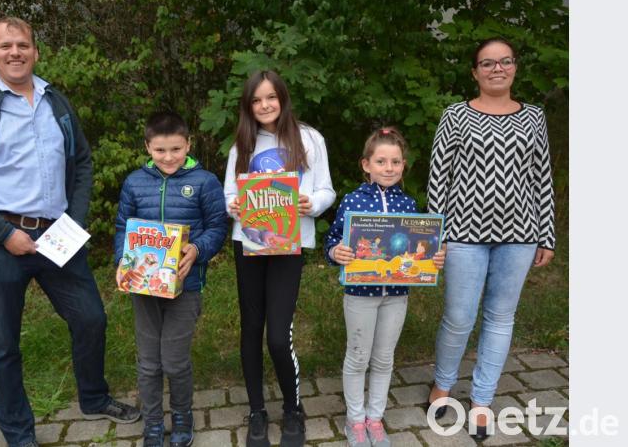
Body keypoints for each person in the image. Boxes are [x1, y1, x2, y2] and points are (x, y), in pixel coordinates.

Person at [0, 17, 139, 447]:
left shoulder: (56, 103)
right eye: (5, 45)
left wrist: (75, 219)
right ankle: (18, 433)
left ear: (35, 51)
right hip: (1, 240)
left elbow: (81, 162)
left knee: (90, 319)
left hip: (57, 236)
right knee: (4, 341)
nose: (15, 52)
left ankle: (94, 398)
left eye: (23, 44)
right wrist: (2, 233)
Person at [425, 37, 556, 441]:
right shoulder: (455, 116)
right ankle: (443, 385)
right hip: (464, 234)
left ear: (515, 67)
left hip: (520, 235)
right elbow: (438, 178)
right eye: (487, 63)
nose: (497, 68)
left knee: (501, 317)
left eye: (505, 61)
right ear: (475, 71)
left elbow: (542, 178)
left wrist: (546, 234)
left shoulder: (534, 117)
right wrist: (435, 236)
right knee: (459, 317)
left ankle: (482, 399)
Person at [224, 70, 336, 447]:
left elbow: (326, 190)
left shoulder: (309, 138)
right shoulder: (242, 144)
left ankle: (293, 407)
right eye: (256, 100)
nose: (264, 105)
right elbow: (228, 196)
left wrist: (312, 203)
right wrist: (235, 206)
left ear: (283, 98)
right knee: (251, 329)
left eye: (270, 97)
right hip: (250, 245)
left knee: (277, 335)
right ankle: (257, 411)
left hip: (289, 245)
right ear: (248, 106)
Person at [324, 128, 446, 447]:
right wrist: (336, 252)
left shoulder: (409, 204)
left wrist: (433, 257)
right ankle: (355, 420)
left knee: (384, 358)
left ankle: (375, 418)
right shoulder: (352, 200)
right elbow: (332, 240)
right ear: (366, 164)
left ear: (403, 165)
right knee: (358, 357)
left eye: (395, 162)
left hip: (396, 296)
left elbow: (419, 248)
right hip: (359, 295)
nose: (388, 168)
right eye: (381, 161)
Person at [113, 111, 227, 447]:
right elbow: (123, 227)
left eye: (176, 149)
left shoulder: (205, 181)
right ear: (148, 146)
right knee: (149, 363)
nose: (169, 157)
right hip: (144, 288)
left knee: (175, 361)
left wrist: (197, 249)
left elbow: (218, 227)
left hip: (185, 287)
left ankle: (181, 415)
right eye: (160, 150)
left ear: (188, 144)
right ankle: (151, 422)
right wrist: (123, 260)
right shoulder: (134, 182)